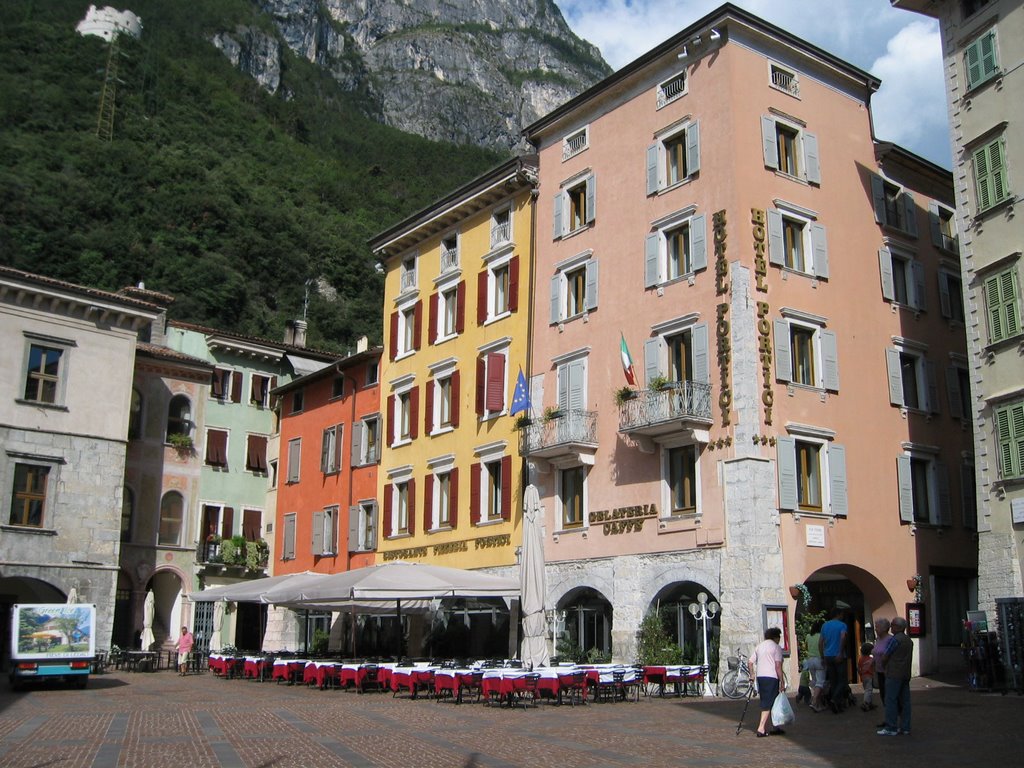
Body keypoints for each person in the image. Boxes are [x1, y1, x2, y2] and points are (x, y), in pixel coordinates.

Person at [878, 616, 913, 736]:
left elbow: (885, 656)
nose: (890, 627)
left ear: (898, 627)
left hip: (893, 673)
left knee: (891, 700)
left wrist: (883, 666)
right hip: (905, 673)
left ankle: (891, 727)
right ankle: (905, 727)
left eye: (892, 625)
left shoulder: (895, 640)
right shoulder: (908, 640)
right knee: (905, 701)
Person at [749, 627, 786, 737]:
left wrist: (752, 674)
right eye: (779, 637)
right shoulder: (776, 647)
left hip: (761, 676)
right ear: (775, 637)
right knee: (768, 703)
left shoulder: (760, 646)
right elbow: (778, 665)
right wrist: (782, 680)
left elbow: (750, 662)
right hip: (771, 676)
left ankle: (776, 726)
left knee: (773, 701)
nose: (779, 639)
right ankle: (761, 728)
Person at [819, 607, 849, 712]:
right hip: (838, 655)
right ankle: (835, 699)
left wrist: (822, 655)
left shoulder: (825, 625)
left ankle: (838, 704)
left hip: (828, 655)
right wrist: (840, 652)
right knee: (842, 680)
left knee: (833, 680)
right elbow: (843, 638)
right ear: (839, 614)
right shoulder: (842, 625)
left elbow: (820, 641)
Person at [871, 617, 892, 724]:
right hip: (879, 671)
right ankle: (888, 718)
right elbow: (876, 653)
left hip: (888, 672)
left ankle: (892, 719)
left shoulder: (890, 640)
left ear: (884, 628)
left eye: (877, 627)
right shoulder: (878, 639)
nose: (875, 629)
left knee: (890, 696)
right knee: (883, 696)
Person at [804, 619, 826, 712]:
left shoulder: (808, 636)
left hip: (810, 660)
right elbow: (824, 647)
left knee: (815, 681)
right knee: (820, 682)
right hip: (819, 659)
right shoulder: (822, 636)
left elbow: (805, 647)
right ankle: (814, 701)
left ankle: (818, 704)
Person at [859, 642, 876, 711]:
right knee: (869, 690)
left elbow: (859, 667)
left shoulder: (861, 659)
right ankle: (866, 703)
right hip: (869, 675)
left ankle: (870, 703)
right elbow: (874, 666)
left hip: (863, 676)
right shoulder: (871, 659)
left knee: (867, 689)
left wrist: (860, 674)